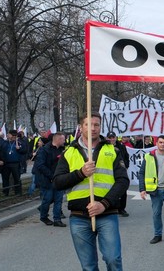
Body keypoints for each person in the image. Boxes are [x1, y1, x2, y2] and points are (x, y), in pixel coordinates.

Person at [53, 113, 129, 270]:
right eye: (88, 124)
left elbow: (122, 181)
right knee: (88, 266)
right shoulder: (69, 152)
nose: (93, 128)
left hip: (107, 213)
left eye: (96, 124)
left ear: (100, 127)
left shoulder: (112, 150)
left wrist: (104, 204)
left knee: (113, 259)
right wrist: (80, 173)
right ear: (81, 127)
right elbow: (58, 182)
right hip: (79, 216)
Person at [34, 132, 67, 227]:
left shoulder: (62, 150)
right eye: (63, 139)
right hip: (47, 180)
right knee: (47, 199)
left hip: (59, 179)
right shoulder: (44, 150)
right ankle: (43, 216)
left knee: (58, 199)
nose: (64, 141)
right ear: (58, 140)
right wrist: (51, 176)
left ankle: (57, 219)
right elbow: (40, 165)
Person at [0, 129, 28, 196]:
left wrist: (19, 149)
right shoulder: (5, 142)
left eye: (10, 134)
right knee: (5, 178)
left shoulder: (19, 142)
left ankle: (18, 192)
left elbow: (25, 150)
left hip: (15, 163)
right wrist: (1, 160)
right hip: (6, 163)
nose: (8, 135)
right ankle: (5, 192)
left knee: (16, 178)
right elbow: (1, 151)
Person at [106, 132, 130, 217]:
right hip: (109, 172)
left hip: (120, 171)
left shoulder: (122, 147)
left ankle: (122, 209)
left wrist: (125, 166)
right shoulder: (104, 147)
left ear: (116, 138)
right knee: (111, 190)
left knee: (123, 190)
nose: (112, 139)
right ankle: (112, 207)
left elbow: (126, 157)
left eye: (113, 137)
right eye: (110, 137)